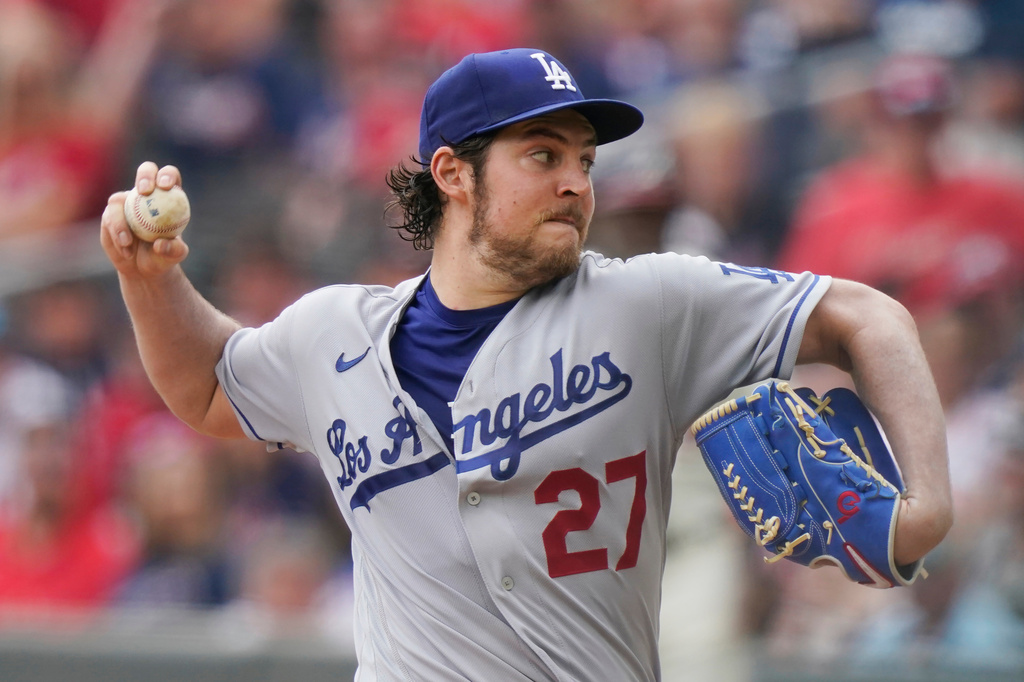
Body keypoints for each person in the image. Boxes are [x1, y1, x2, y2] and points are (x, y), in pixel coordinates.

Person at [100, 48, 953, 681]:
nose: (576, 182)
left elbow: (867, 316)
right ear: (452, 173)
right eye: (543, 156)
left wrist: (928, 508)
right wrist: (150, 279)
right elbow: (208, 384)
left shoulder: (645, 304)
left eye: (585, 160)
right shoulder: (333, 334)